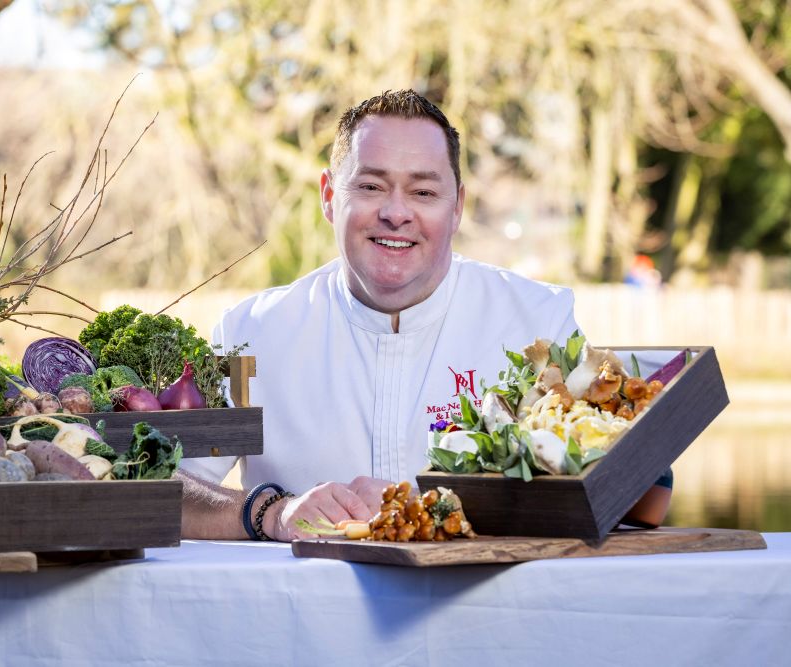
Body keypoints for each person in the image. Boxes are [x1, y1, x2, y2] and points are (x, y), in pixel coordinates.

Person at [178, 90, 580, 541]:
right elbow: (164, 486)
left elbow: (595, 489)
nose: (395, 213)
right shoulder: (248, 336)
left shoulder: (539, 323)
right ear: (330, 196)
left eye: (424, 192)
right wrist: (271, 512)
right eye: (370, 187)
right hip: (305, 608)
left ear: (457, 207)